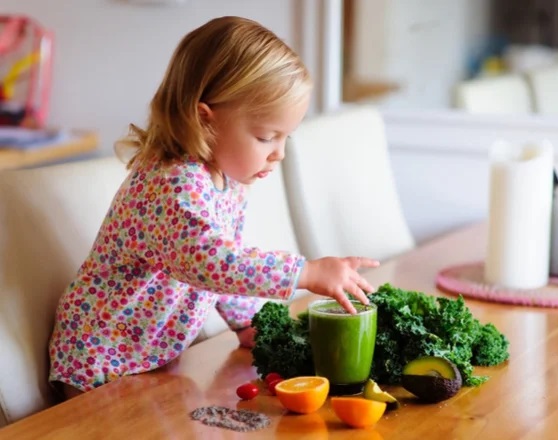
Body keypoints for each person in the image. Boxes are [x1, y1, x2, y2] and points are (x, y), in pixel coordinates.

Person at [48, 16, 379, 399]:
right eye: (266, 136)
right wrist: (305, 271)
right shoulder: (172, 183)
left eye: (286, 137)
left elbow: (222, 270)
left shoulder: (226, 181)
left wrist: (245, 324)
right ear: (205, 119)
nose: (279, 154)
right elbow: (210, 260)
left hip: (148, 362)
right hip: (100, 366)